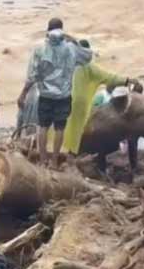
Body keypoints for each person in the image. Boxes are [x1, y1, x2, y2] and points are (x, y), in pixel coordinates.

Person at [18, 18, 93, 167]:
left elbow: (33, 75)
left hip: (45, 95)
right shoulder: (71, 48)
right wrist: (74, 40)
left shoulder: (40, 49)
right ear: (62, 30)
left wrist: (23, 93)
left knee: (43, 126)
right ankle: (54, 160)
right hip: (63, 96)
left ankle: (42, 159)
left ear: (48, 30)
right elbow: (88, 56)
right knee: (60, 128)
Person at [54, 40, 130, 155]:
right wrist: (127, 80)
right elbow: (108, 76)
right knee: (76, 130)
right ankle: (70, 155)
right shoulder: (88, 65)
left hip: (63, 100)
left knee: (62, 127)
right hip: (79, 103)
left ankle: (57, 154)